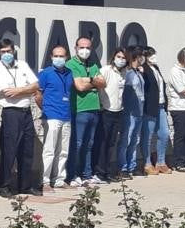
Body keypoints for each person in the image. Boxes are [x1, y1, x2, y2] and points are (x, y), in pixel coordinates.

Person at [0, 39, 39, 196]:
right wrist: (27, 89)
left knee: (27, 150)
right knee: (9, 150)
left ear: (14, 51)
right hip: (11, 112)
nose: (7, 54)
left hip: (26, 112)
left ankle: (25, 186)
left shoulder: (23, 65)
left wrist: (20, 90)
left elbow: (36, 85)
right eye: (3, 52)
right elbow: (7, 92)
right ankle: (4, 185)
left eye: (9, 51)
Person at [67, 37, 106, 186]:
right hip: (80, 109)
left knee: (89, 144)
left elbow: (103, 82)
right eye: (82, 47)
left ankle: (87, 174)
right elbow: (80, 87)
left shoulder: (93, 64)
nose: (85, 50)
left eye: (88, 48)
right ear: (76, 48)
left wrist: (87, 79)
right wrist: (92, 81)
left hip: (94, 109)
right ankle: (73, 174)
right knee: (77, 144)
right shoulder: (71, 64)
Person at [38, 45, 74, 190]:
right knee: (49, 149)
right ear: (51, 57)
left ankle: (59, 179)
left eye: (62, 56)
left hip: (66, 115)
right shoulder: (45, 73)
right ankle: (45, 181)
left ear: (66, 58)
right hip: (52, 115)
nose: (59, 59)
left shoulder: (70, 72)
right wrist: (45, 109)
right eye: (56, 56)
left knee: (63, 150)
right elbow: (38, 94)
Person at [96, 48, 129, 181]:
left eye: (123, 58)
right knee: (103, 142)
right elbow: (98, 86)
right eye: (118, 57)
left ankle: (109, 171)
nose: (121, 60)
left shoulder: (124, 73)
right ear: (113, 57)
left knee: (111, 143)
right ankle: (100, 172)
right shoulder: (106, 70)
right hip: (106, 111)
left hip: (118, 111)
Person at [138, 47, 171, 175]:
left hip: (161, 105)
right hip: (150, 107)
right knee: (147, 135)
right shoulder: (143, 69)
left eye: (154, 54)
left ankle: (161, 161)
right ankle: (147, 163)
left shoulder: (156, 68)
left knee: (164, 133)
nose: (154, 57)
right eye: (151, 55)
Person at [118, 47, 146, 178]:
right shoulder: (128, 73)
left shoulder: (138, 73)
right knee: (126, 140)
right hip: (129, 112)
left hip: (139, 111)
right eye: (141, 56)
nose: (143, 59)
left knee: (135, 140)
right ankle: (122, 167)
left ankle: (132, 165)